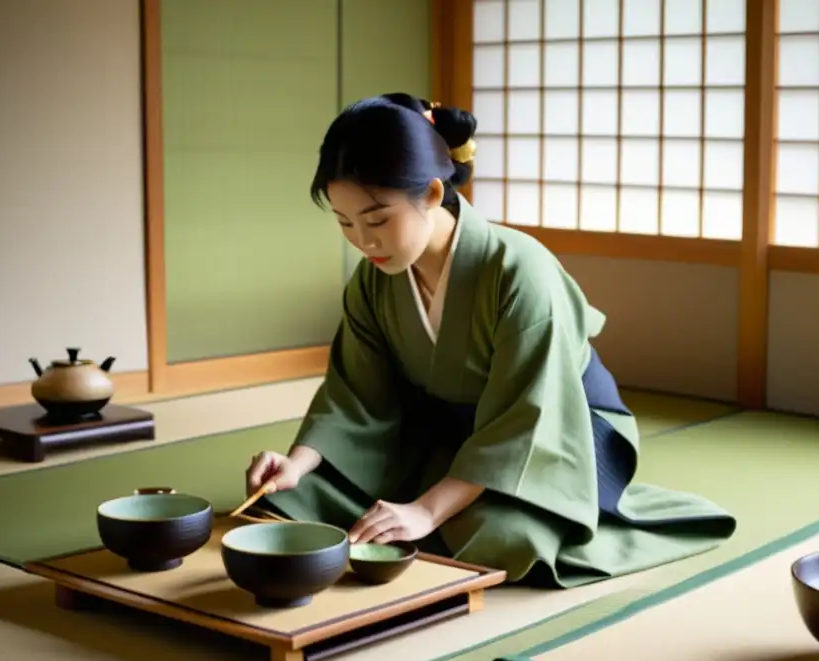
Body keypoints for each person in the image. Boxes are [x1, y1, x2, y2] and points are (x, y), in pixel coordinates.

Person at [245, 92, 735, 588]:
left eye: (377, 220)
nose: (364, 241)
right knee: (290, 500)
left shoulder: (521, 271)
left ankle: (534, 508)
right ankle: (433, 499)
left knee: (500, 537)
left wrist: (426, 510)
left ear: (433, 194)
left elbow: (527, 416)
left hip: (557, 432)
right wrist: (297, 463)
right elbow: (356, 395)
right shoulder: (376, 278)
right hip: (452, 437)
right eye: (345, 223)